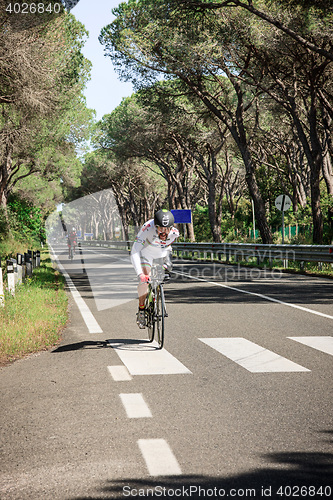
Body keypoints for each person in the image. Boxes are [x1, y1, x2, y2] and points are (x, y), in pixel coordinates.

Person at [131, 209, 179, 329]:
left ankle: (157, 292)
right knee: (144, 280)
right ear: (155, 226)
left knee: (167, 268)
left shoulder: (174, 233)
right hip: (146, 254)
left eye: (167, 229)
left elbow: (168, 247)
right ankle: (142, 309)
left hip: (162, 253)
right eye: (161, 229)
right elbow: (135, 251)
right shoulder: (146, 228)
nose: (164, 232)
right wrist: (140, 274)